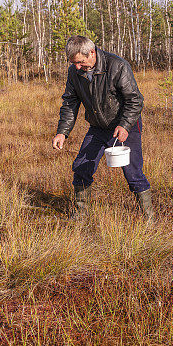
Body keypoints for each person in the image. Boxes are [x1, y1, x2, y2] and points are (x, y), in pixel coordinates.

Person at [52, 35, 154, 221]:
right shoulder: (74, 72)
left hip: (126, 126)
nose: (76, 67)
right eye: (73, 63)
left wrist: (124, 125)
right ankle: (81, 216)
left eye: (80, 62)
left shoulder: (117, 66)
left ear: (92, 53)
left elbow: (135, 100)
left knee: (133, 173)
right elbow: (70, 103)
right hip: (98, 127)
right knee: (82, 167)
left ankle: (148, 218)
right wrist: (62, 132)